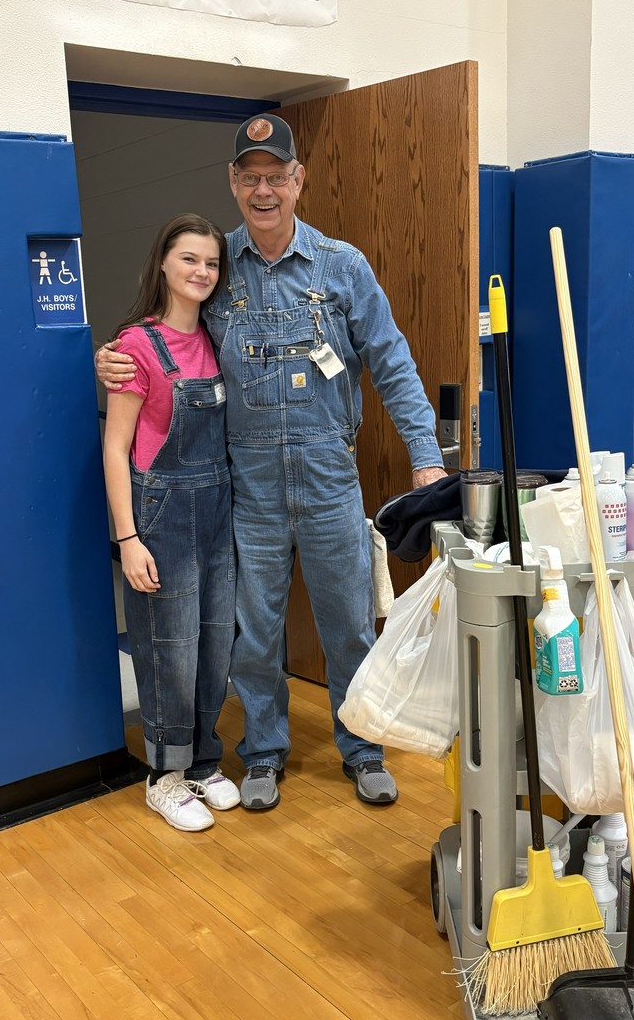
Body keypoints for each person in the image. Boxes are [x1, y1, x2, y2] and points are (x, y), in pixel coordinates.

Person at [97, 116, 446, 812]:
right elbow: (166, 334)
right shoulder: (216, 265)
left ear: (298, 180)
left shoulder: (342, 266)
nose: (263, 190)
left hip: (328, 479)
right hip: (246, 486)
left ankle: (363, 746)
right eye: (249, 177)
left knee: (348, 624)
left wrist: (427, 459)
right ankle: (262, 752)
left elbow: (393, 361)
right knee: (254, 634)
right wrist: (115, 355)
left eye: (275, 176)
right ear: (233, 183)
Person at [102, 213, 240, 832]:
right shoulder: (136, 346)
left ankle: (205, 760)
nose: (201, 272)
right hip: (161, 513)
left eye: (210, 262)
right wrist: (127, 538)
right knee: (170, 649)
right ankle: (165, 775)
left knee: (214, 644)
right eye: (189, 259)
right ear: (163, 261)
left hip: (218, 511)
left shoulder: (215, 336)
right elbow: (116, 447)